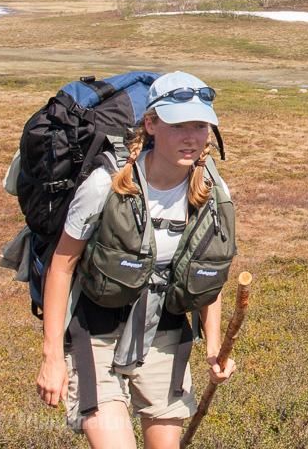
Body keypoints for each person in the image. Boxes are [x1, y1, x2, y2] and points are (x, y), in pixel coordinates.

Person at [35, 71, 236, 449]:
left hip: (165, 335)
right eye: (177, 125)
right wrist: (52, 357)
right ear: (151, 124)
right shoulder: (104, 184)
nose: (191, 137)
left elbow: (208, 273)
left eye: (200, 125)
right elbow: (61, 267)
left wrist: (213, 349)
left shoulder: (213, 189)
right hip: (94, 333)